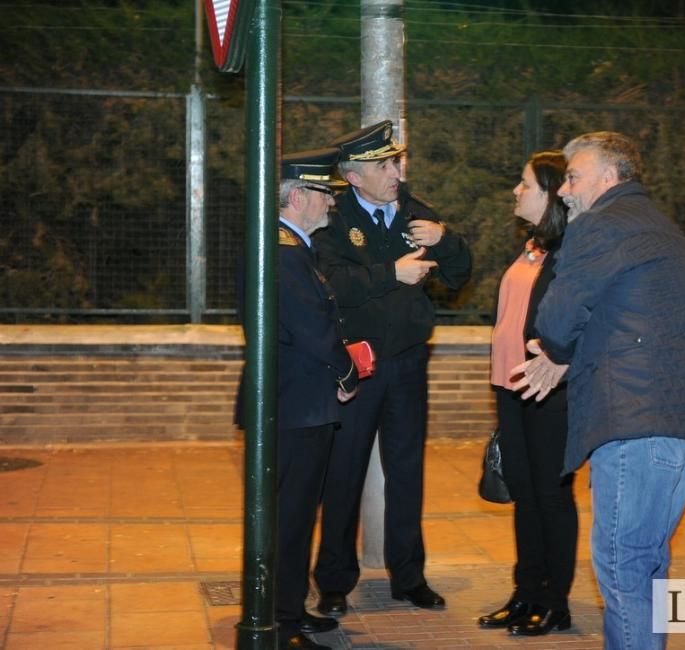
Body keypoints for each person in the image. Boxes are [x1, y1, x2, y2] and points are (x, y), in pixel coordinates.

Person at [511, 131, 685, 649]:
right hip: (683, 425)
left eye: (574, 177)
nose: (564, 190)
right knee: (646, 559)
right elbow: (631, 317)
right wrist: (566, 359)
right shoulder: (658, 227)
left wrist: (557, 352)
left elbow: (557, 319)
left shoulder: (600, 225)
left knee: (622, 563)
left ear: (609, 178)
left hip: (635, 422)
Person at [310, 120, 472, 615]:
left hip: (406, 365)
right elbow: (332, 282)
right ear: (354, 177)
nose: (394, 172)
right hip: (358, 366)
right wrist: (391, 274)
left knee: (407, 471)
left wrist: (444, 240)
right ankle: (335, 579)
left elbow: (461, 274)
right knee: (345, 471)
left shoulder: (416, 213)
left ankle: (409, 576)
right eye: (383, 165)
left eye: (396, 162)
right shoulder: (334, 221)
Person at [235, 149, 359, 650]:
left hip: (295, 402)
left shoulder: (289, 247)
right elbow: (312, 329)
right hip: (293, 406)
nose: (331, 202)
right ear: (298, 197)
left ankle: (288, 608)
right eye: (324, 193)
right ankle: (278, 622)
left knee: (296, 514)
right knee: (287, 517)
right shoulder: (283, 252)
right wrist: (348, 371)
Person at [478, 150, 578, 636]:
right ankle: (525, 593)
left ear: (552, 192)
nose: (516, 192)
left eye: (525, 185)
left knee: (551, 496)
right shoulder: (533, 245)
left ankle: (555, 602)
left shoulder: (574, 248)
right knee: (525, 494)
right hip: (512, 386)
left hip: (549, 389)